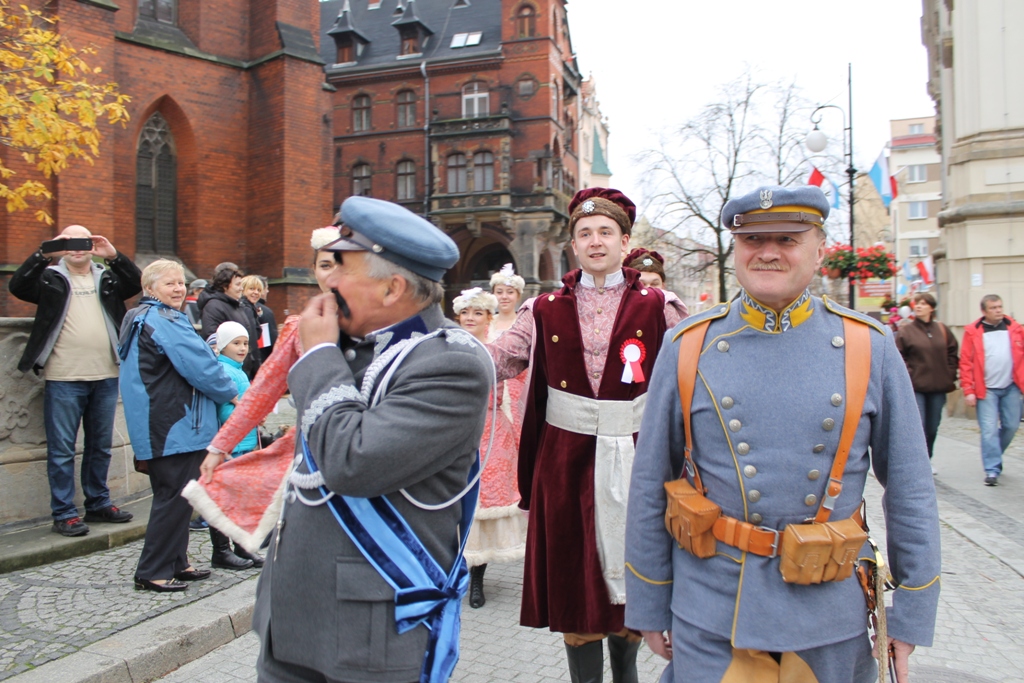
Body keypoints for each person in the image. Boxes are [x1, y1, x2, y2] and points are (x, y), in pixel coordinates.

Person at [625, 185, 941, 683]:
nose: (768, 251)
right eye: (753, 239)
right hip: (712, 609)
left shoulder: (870, 346)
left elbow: (910, 490)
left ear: (819, 250)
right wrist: (647, 600)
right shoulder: (688, 345)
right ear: (736, 251)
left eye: (787, 239)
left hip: (828, 613)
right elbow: (649, 484)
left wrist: (912, 614)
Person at [252, 197, 493, 683]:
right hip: (292, 619)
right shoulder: (350, 343)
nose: (327, 283)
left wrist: (319, 353)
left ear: (392, 288)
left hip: (370, 631)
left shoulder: (450, 363)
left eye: (341, 269)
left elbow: (351, 462)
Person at [488, 187, 687, 683]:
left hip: (639, 460)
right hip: (565, 461)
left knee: (633, 584)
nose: (595, 241)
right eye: (584, 233)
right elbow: (500, 358)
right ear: (573, 244)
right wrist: (435, 356)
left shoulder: (660, 304)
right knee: (576, 588)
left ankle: (628, 675)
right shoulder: (542, 308)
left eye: (605, 232)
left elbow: (699, 371)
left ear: (624, 241)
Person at [190, 228, 341, 548]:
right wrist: (220, 446)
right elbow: (262, 390)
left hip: (367, 450)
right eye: (325, 265)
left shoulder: (378, 323)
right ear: (313, 271)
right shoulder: (298, 327)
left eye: (342, 263)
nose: (333, 273)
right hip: (313, 450)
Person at [8, 225, 141, 537]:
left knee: (100, 446)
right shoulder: (49, 276)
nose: (77, 247)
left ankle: (98, 502)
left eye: (83, 241)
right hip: (63, 377)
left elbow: (135, 283)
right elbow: (17, 286)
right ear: (60, 246)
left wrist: (114, 256)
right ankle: (65, 513)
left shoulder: (106, 277)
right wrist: (44, 253)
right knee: (62, 449)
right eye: (69, 241)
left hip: (106, 374)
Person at [118, 260, 238, 592]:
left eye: (181, 282)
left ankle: (176, 561)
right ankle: (153, 570)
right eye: (169, 283)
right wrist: (232, 394)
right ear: (150, 289)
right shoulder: (164, 319)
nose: (178, 288)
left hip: (162, 421)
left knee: (179, 494)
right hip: (172, 422)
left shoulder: (140, 317)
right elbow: (198, 366)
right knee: (175, 495)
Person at [455, 287, 529, 610]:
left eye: (477, 313)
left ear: (488, 318)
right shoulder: (448, 348)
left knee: (485, 507)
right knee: (455, 507)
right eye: (465, 313)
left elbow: (513, 387)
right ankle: (453, 571)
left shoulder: (496, 351)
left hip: (491, 430)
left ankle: (477, 579)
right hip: (455, 435)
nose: (470, 318)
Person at [207, 321, 261, 570]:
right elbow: (224, 412)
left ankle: (241, 546)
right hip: (232, 445)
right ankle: (221, 551)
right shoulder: (223, 371)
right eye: (236, 343)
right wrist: (251, 414)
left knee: (241, 500)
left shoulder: (239, 370)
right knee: (224, 500)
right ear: (222, 346)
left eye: (245, 343)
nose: (242, 348)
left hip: (245, 442)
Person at [959, 294, 1024, 486]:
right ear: (984, 311)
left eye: (1000, 307)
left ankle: (994, 454)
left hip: (1011, 386)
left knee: (1012, 426)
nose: (998, 310)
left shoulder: (1015, 329)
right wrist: (968, 389)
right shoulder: (973, 331)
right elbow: (966, 362)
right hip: (985, 388)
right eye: (993, 308)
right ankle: (992, 469)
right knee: (988, 431)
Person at [895, 292, 959, 473]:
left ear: (931, 307)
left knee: (933, 426)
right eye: (918, 303)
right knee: (919, 425)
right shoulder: (906, 331)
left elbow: (952, 353)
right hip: (916, 387)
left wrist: (950, 373)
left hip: (938, 386)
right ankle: (918, 462)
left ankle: (928, 457)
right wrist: (909, 374)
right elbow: (899, 355)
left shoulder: (942, 330)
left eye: (924, 304)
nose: (919, 306)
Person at [199, 267, 261, 379]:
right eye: (237, 285)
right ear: (225, 286)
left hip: (241, 367)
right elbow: (212, 338)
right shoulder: (214, 307)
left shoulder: (236, 306)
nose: (241, 289)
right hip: (227, 372)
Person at [241, 275, 278, 364]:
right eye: (252, 289)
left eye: (259, 290)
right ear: (243, 289)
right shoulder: (247, 310)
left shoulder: (250, 309)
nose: (256, 292)